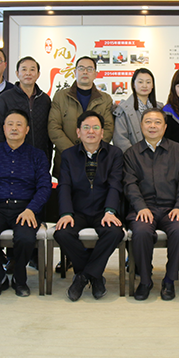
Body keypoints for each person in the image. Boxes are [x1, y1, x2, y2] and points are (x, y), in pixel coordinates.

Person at [0, 109, 51, 298]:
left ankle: (19, 279)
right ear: (4, 128)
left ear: (27, 129)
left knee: (25, 238)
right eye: (10, 124)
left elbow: (44, 187)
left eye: (19, 124)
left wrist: (31, 209)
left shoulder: (37, 155)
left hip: (25, 209)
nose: (14, 128)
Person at [123, 108, 179, 301]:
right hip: (144, 208)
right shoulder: (131, 153)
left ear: (165, 126)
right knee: (141, 232)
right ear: (141, 125)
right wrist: (141, 207)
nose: (152, 126)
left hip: (172, 208)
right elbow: (130, 184)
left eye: (157, 122)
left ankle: (169, 280)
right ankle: (145, 280)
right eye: (148, 122)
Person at [54, 111, 124, 301]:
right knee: (62, 233)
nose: (90, 131)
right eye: (86, 127)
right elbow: (64, 186)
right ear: (78, 132)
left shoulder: (114, 154)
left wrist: (110, 211)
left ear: (102, 132)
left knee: (115, 232)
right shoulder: (68, 155)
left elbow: (115, 184)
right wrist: (66, 213)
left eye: (95, 127)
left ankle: (83, 276)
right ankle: (95, 275)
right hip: (77, 211)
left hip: (103, 210)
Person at [48, 56, 114, 178]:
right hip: (66, 159)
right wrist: (73, 152)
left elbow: (108, 128)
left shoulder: (105, 99)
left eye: (89, 69)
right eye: (81, 68)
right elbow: (54, 127)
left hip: (96, 160)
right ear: (75, 72)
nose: (85, 72)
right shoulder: (60, 96)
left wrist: (92, 150)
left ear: (96, 74)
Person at [0, 56, 52, 162]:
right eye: (24, 69)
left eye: (32, 69)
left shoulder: (45, 99)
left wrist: (48, 156)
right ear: (17, 74)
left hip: (40, 156)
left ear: (38, 74)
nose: (28, 73)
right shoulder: (5, 98)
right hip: (12, 156)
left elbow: (49, 129)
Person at [113, 68, 163, 152]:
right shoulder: (123, 109)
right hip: (133, 157)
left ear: (152, 85)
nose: (144, 86)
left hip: (158, 156)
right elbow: (120, 139)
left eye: (148, 82)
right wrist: (135, 156)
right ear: (133, 84)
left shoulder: (160, 108)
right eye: (140, 82)